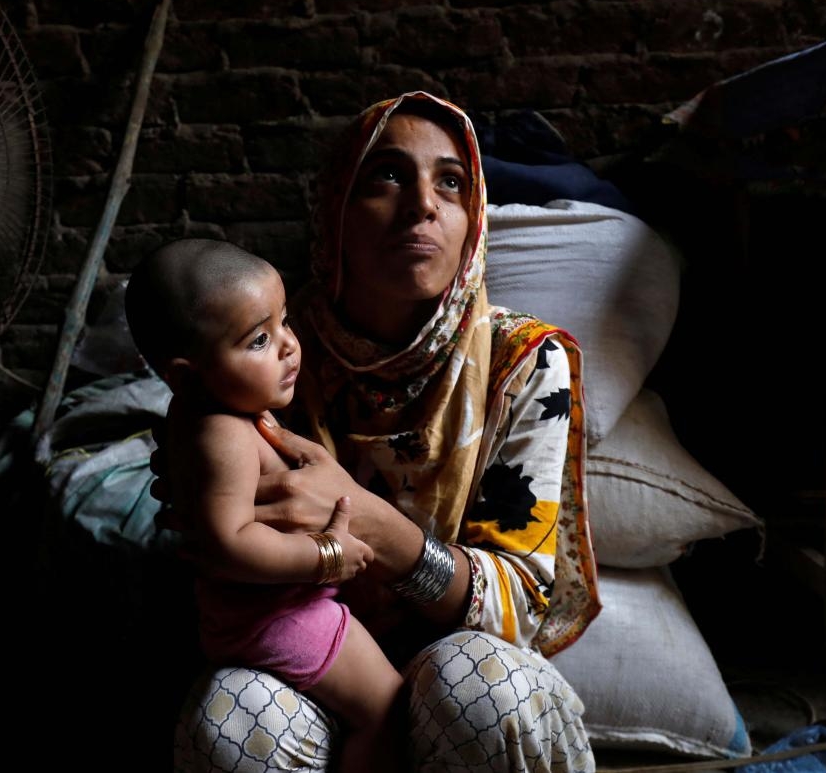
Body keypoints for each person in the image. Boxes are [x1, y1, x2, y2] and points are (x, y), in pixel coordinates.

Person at [166, 91, 602, 772]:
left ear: (473, 219)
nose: (423, 203)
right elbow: (207, 512)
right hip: (310, 656)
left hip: (459, 658)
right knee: (229, 717)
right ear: (336, 208)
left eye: (452, 183)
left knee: (484, 686)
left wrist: (368, 522)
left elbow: (522, 610)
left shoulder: (523, 362)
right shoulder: (262, 356)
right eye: (389, 175)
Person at [125, 238, 406, 773]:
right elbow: (228, 544)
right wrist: (327, 556)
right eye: (258, 339)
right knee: (386, 709)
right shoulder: (222, 434)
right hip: (277, 616)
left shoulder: (210, 409)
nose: (288, 346)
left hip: (266, 611)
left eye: (285, 322)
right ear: (186, 374)